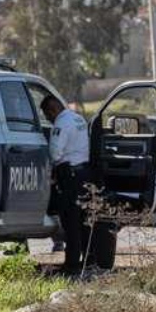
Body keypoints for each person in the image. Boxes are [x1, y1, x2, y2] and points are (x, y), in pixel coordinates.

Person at [40, 95, 91, 275]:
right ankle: (87, 261)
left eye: (48, 115)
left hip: (69, 176)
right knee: (83, 221)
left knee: (70, 223)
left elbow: (55, 153)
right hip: (83, 174)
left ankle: (71, 266)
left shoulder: (61, 124)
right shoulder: (78, 118)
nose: (49, 119)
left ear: (53, 109)